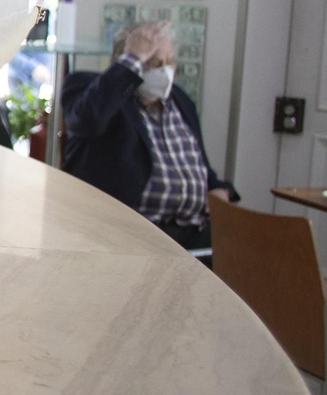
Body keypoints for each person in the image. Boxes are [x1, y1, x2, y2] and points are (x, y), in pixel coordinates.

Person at [60, 20, 237, 252]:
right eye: (154, 63)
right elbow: (87, 121)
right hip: (131, 235)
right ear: (123, 62)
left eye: (170, 62)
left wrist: (217, 189)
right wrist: (133, 57)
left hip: (194, 232)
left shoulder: (180, 100)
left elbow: (198, 165)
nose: (165, 71)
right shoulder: (90, 87)